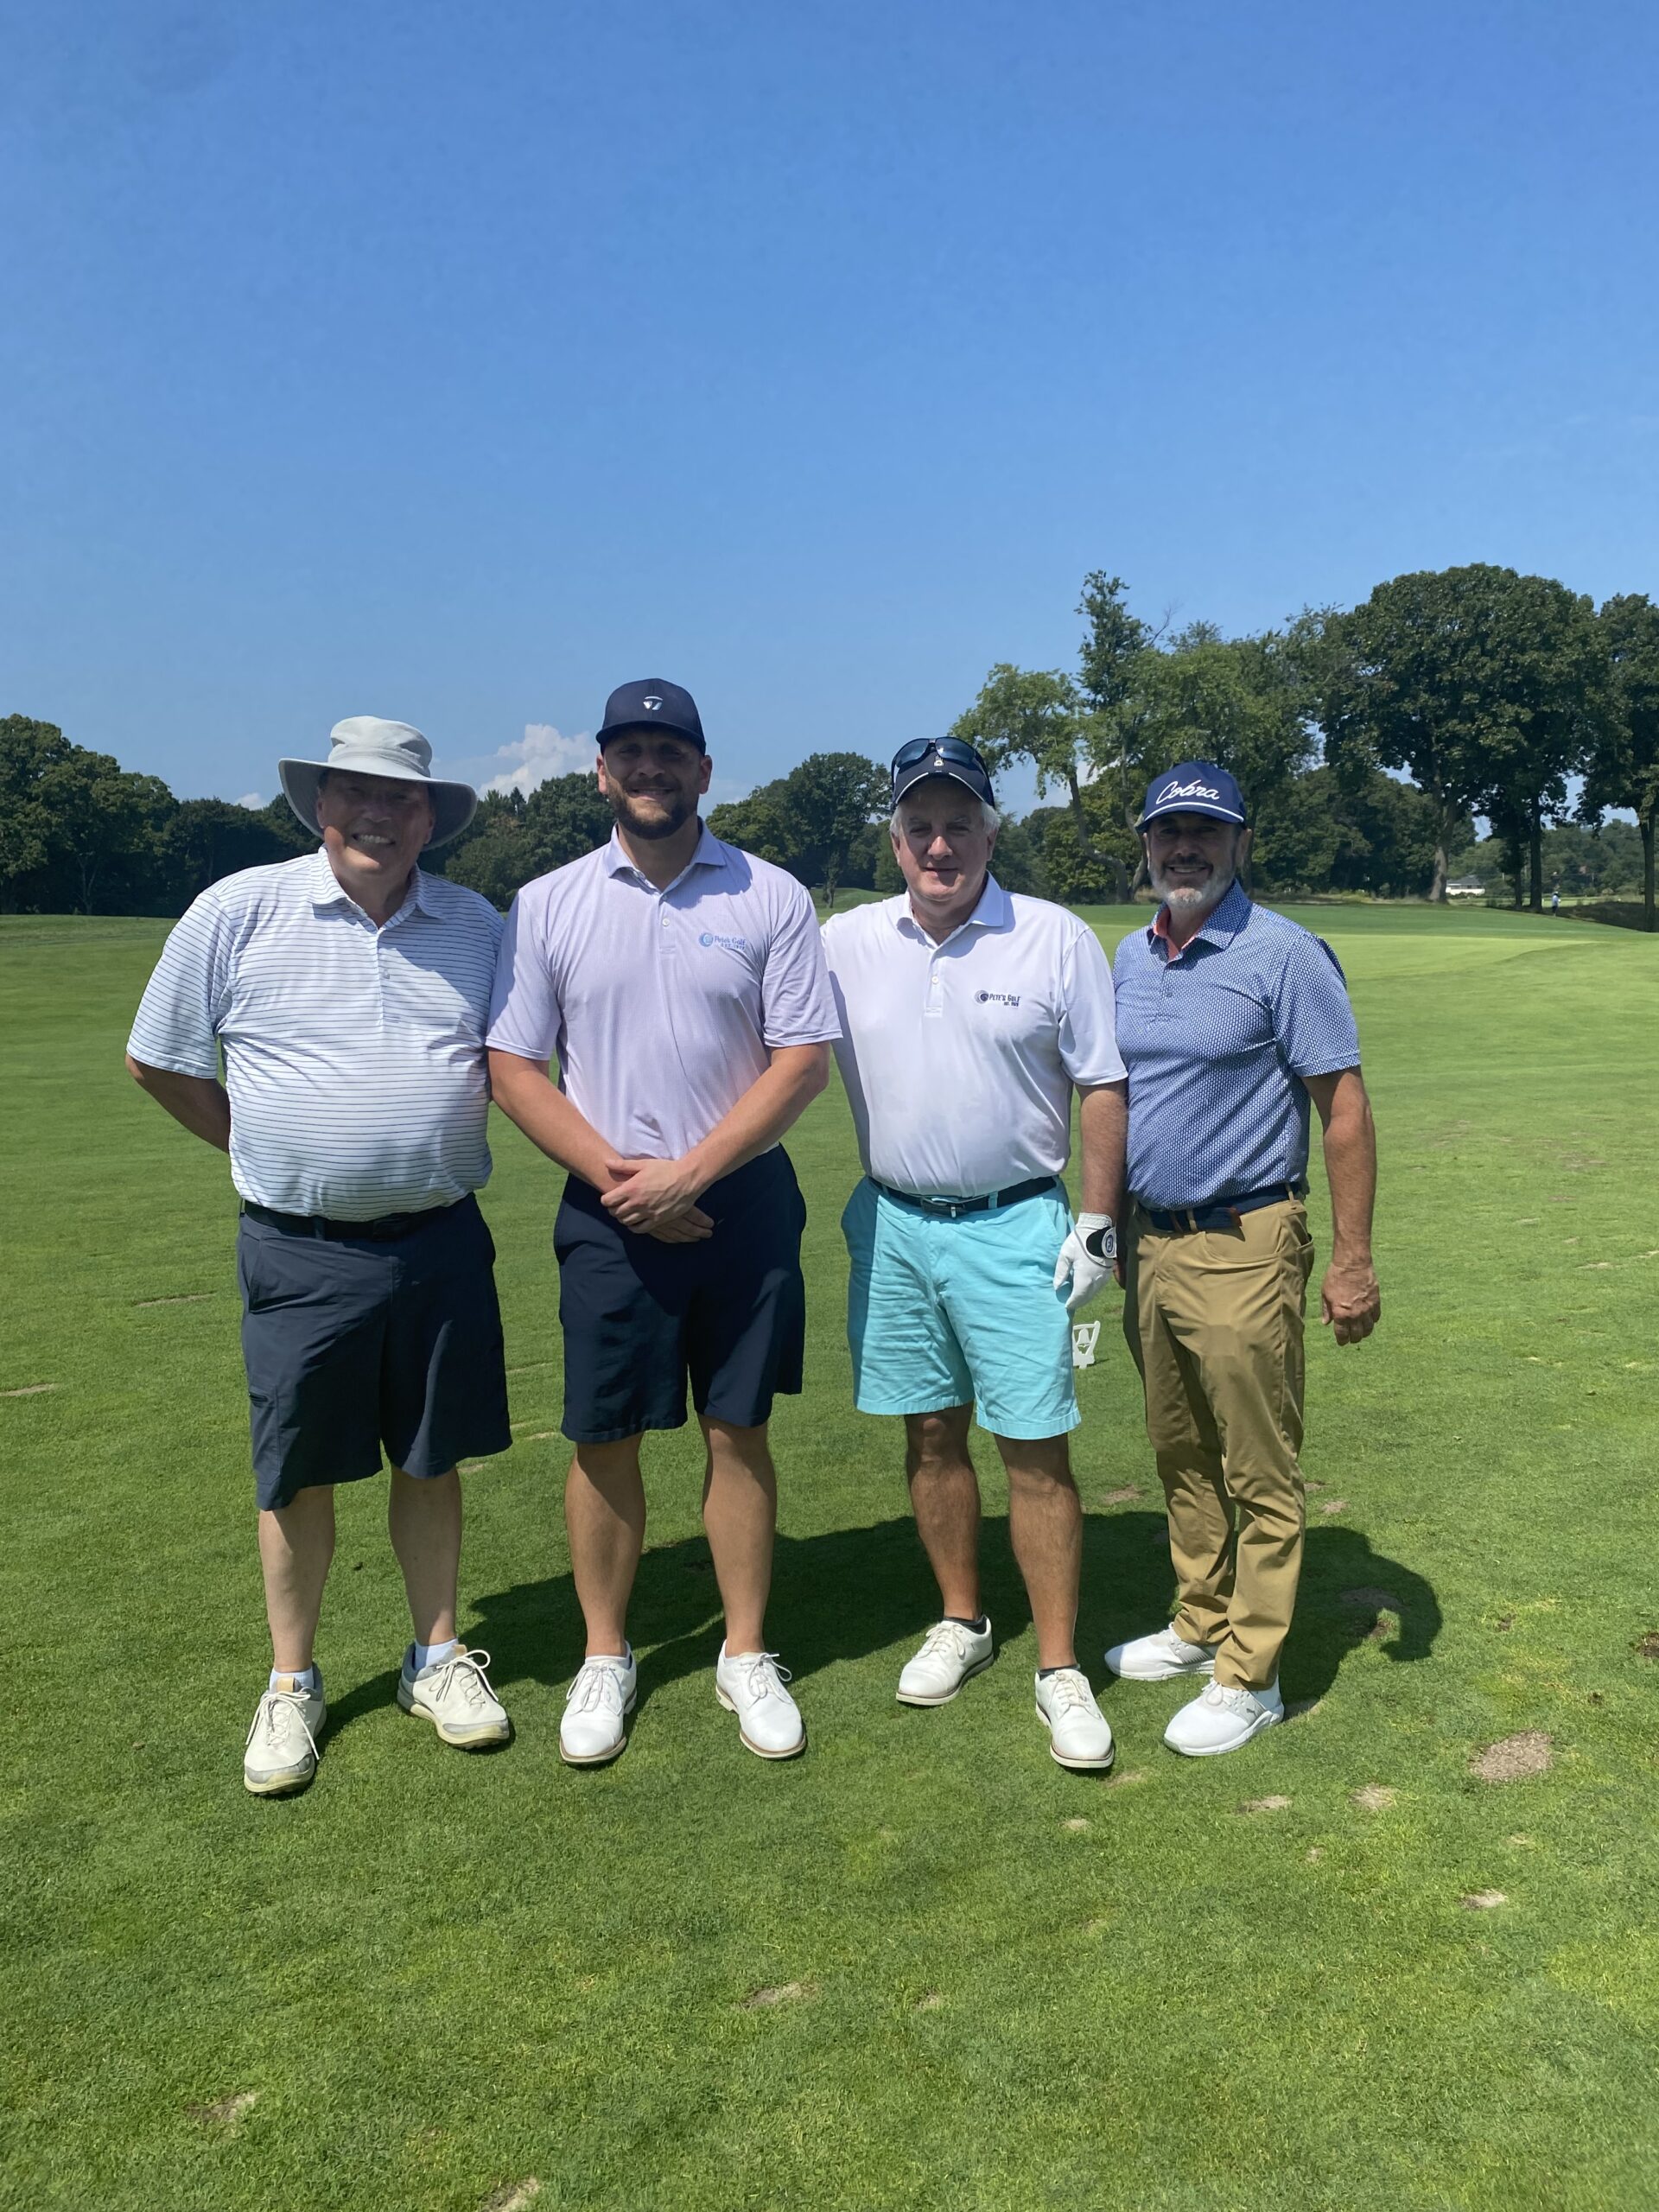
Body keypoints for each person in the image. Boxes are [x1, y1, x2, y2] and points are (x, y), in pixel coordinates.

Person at [125, 717, 515, 1797]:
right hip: (299, 1247)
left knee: (431, 1455)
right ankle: (292, 1682)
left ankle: (436, 1656)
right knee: (296, 1467)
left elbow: (519, 1059)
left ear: (429, 818)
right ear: (320, 806)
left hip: (440, 1237)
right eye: (356, 794)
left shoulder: (476, 925)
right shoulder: (237, 910)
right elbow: (158, 1060)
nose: (377, 815)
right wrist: (255, 1144)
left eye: (401, 799)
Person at [486, 678, 838, 1767]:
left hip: (742, 1199)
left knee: (739, 1427)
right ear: (601, 771)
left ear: (703, 770)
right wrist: (624, 1182)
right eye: (629, 752)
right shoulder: (547, 902)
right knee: (604, 1434)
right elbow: (513, 1065)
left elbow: (802, 1060)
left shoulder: (771, 894)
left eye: (670, 751)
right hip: (610, 1206)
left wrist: (691, 1175)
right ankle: (606, 1652)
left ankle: (745, 1650)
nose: (650, 769)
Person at [821, 738, 1128, 1771]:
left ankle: (1059, 1664)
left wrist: (1097, 1222)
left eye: (959, 826)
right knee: (929, 1433)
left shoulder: (1053, 937)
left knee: (1035, 1446)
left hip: (1016, 1222)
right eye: (920, 827)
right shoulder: (847, 941)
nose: (940, 846)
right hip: (895, 1223)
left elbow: (1103, 1084)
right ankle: (963, 1618)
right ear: (895, 841)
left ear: (992, 836)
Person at [1105, 761, 1381, 1756]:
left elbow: (1343, 1110)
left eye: (1206, 832)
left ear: (1240, 843)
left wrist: (1351, 1261)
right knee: (1178, 1447)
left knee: (1258, 1463)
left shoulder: (1285, 953)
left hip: (1247, 1237)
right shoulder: (1130, 956)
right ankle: (1200, 1618)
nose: (1185, 847)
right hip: (1152, 1241)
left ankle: (1252, 1673)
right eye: (1169, 831)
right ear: (1146, 843)